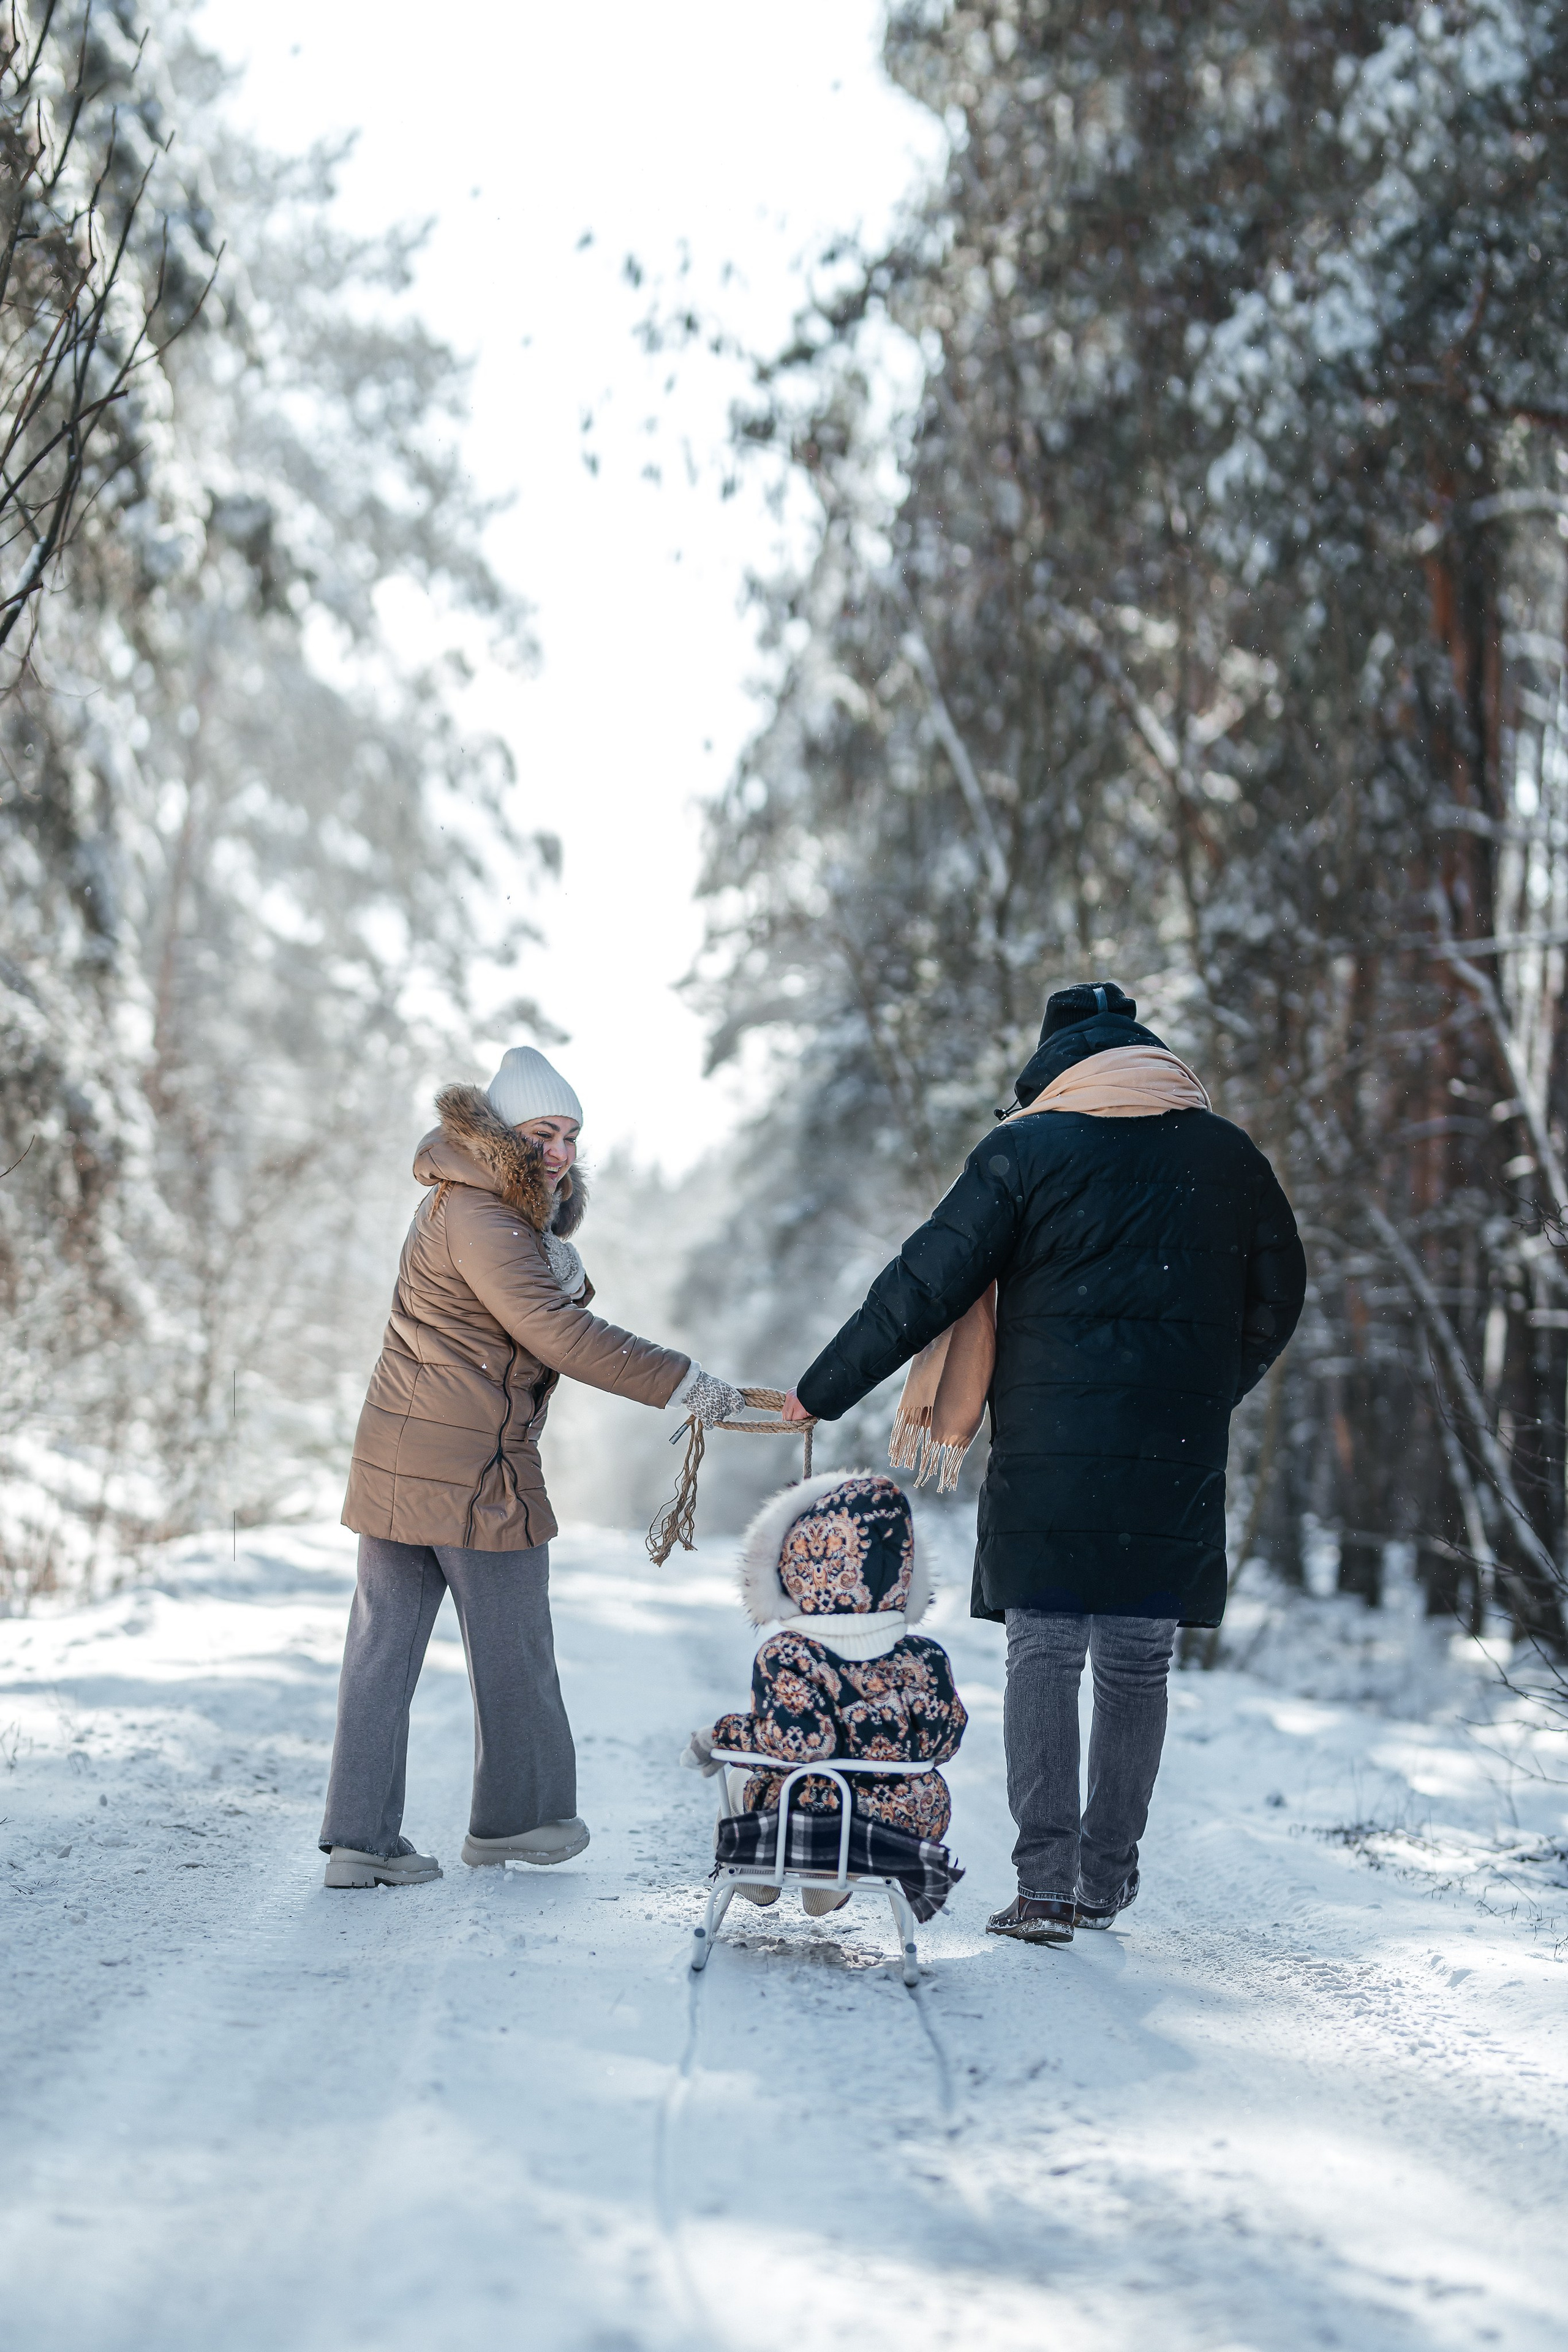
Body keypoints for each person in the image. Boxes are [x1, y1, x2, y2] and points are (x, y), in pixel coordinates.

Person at [782, 983, 1305, 1947]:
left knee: (1046, 1652)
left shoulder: (1025, 1149)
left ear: (1053, 1065)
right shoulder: (1227, 1156)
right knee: (1138, 1667)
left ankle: (1047, 1888)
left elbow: (922, 1282)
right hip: (1175, 1447)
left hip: (1050, 1451)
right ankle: (1106, 1881)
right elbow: (1282, 1292)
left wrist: (820, 1391)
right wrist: (1202, 1387)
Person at [319, 1046, 745, 1889]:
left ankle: (361, 1840)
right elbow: (555, 1334)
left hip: (401, 1459)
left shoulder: (465, 1207)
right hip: (474, 1466)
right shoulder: (484, 1215)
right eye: (545, 1132)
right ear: (503, 1134)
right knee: (514, 1644)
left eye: (573, 1136)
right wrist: (683, 1382)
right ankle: (520, 1822)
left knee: (382, 1650)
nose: (561, 1151)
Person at [680, 1471, 967, 1923]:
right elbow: (945, 1741)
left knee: (742, 1770)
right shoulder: (925, 1658)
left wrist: (719, 1737)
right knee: (889, 1787)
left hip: (815, 1821)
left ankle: (756, 1871)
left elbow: (800, 1743)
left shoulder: (791, 1655)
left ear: (794, 1568)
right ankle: (835, 1882)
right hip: (902, 1827)